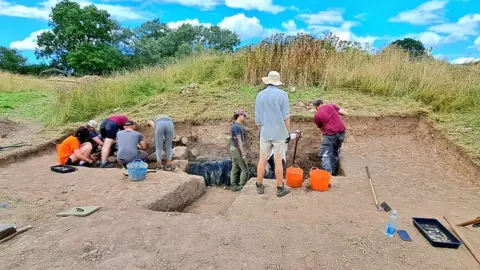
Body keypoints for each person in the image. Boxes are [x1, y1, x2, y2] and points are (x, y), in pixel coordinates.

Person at [254, 71, 291, 197]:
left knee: (262, 159)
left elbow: (258, 118)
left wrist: (261, 131)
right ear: (277, 82)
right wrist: (287, 133)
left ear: (268, 81)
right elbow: (286, 117)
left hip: (265, 132)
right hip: (279, 133)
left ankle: (259, 184)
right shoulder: (283, 95)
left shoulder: (260, 95)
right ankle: (280, 188)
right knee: (278, 160)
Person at [312, 99, 347, 176]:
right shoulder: (331, 106)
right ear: (322, 103)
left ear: (316, 107)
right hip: (341, 133)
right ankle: (333, 172)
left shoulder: (317, 115)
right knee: (335, 151)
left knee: (326, 154)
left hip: (330, 135)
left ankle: (327, 174)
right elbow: (344, 113)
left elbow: (320, 126)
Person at [230, 109, 249, 192]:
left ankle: (234, 186)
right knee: (244, 169)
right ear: (239, 116)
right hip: (237, 150)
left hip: (233, 149)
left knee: (235, 167)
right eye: (243, 115)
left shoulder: (235, 126)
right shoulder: (237, 127)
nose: (244, 117)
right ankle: (242, 186)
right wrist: (243, 153)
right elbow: (239, 141)